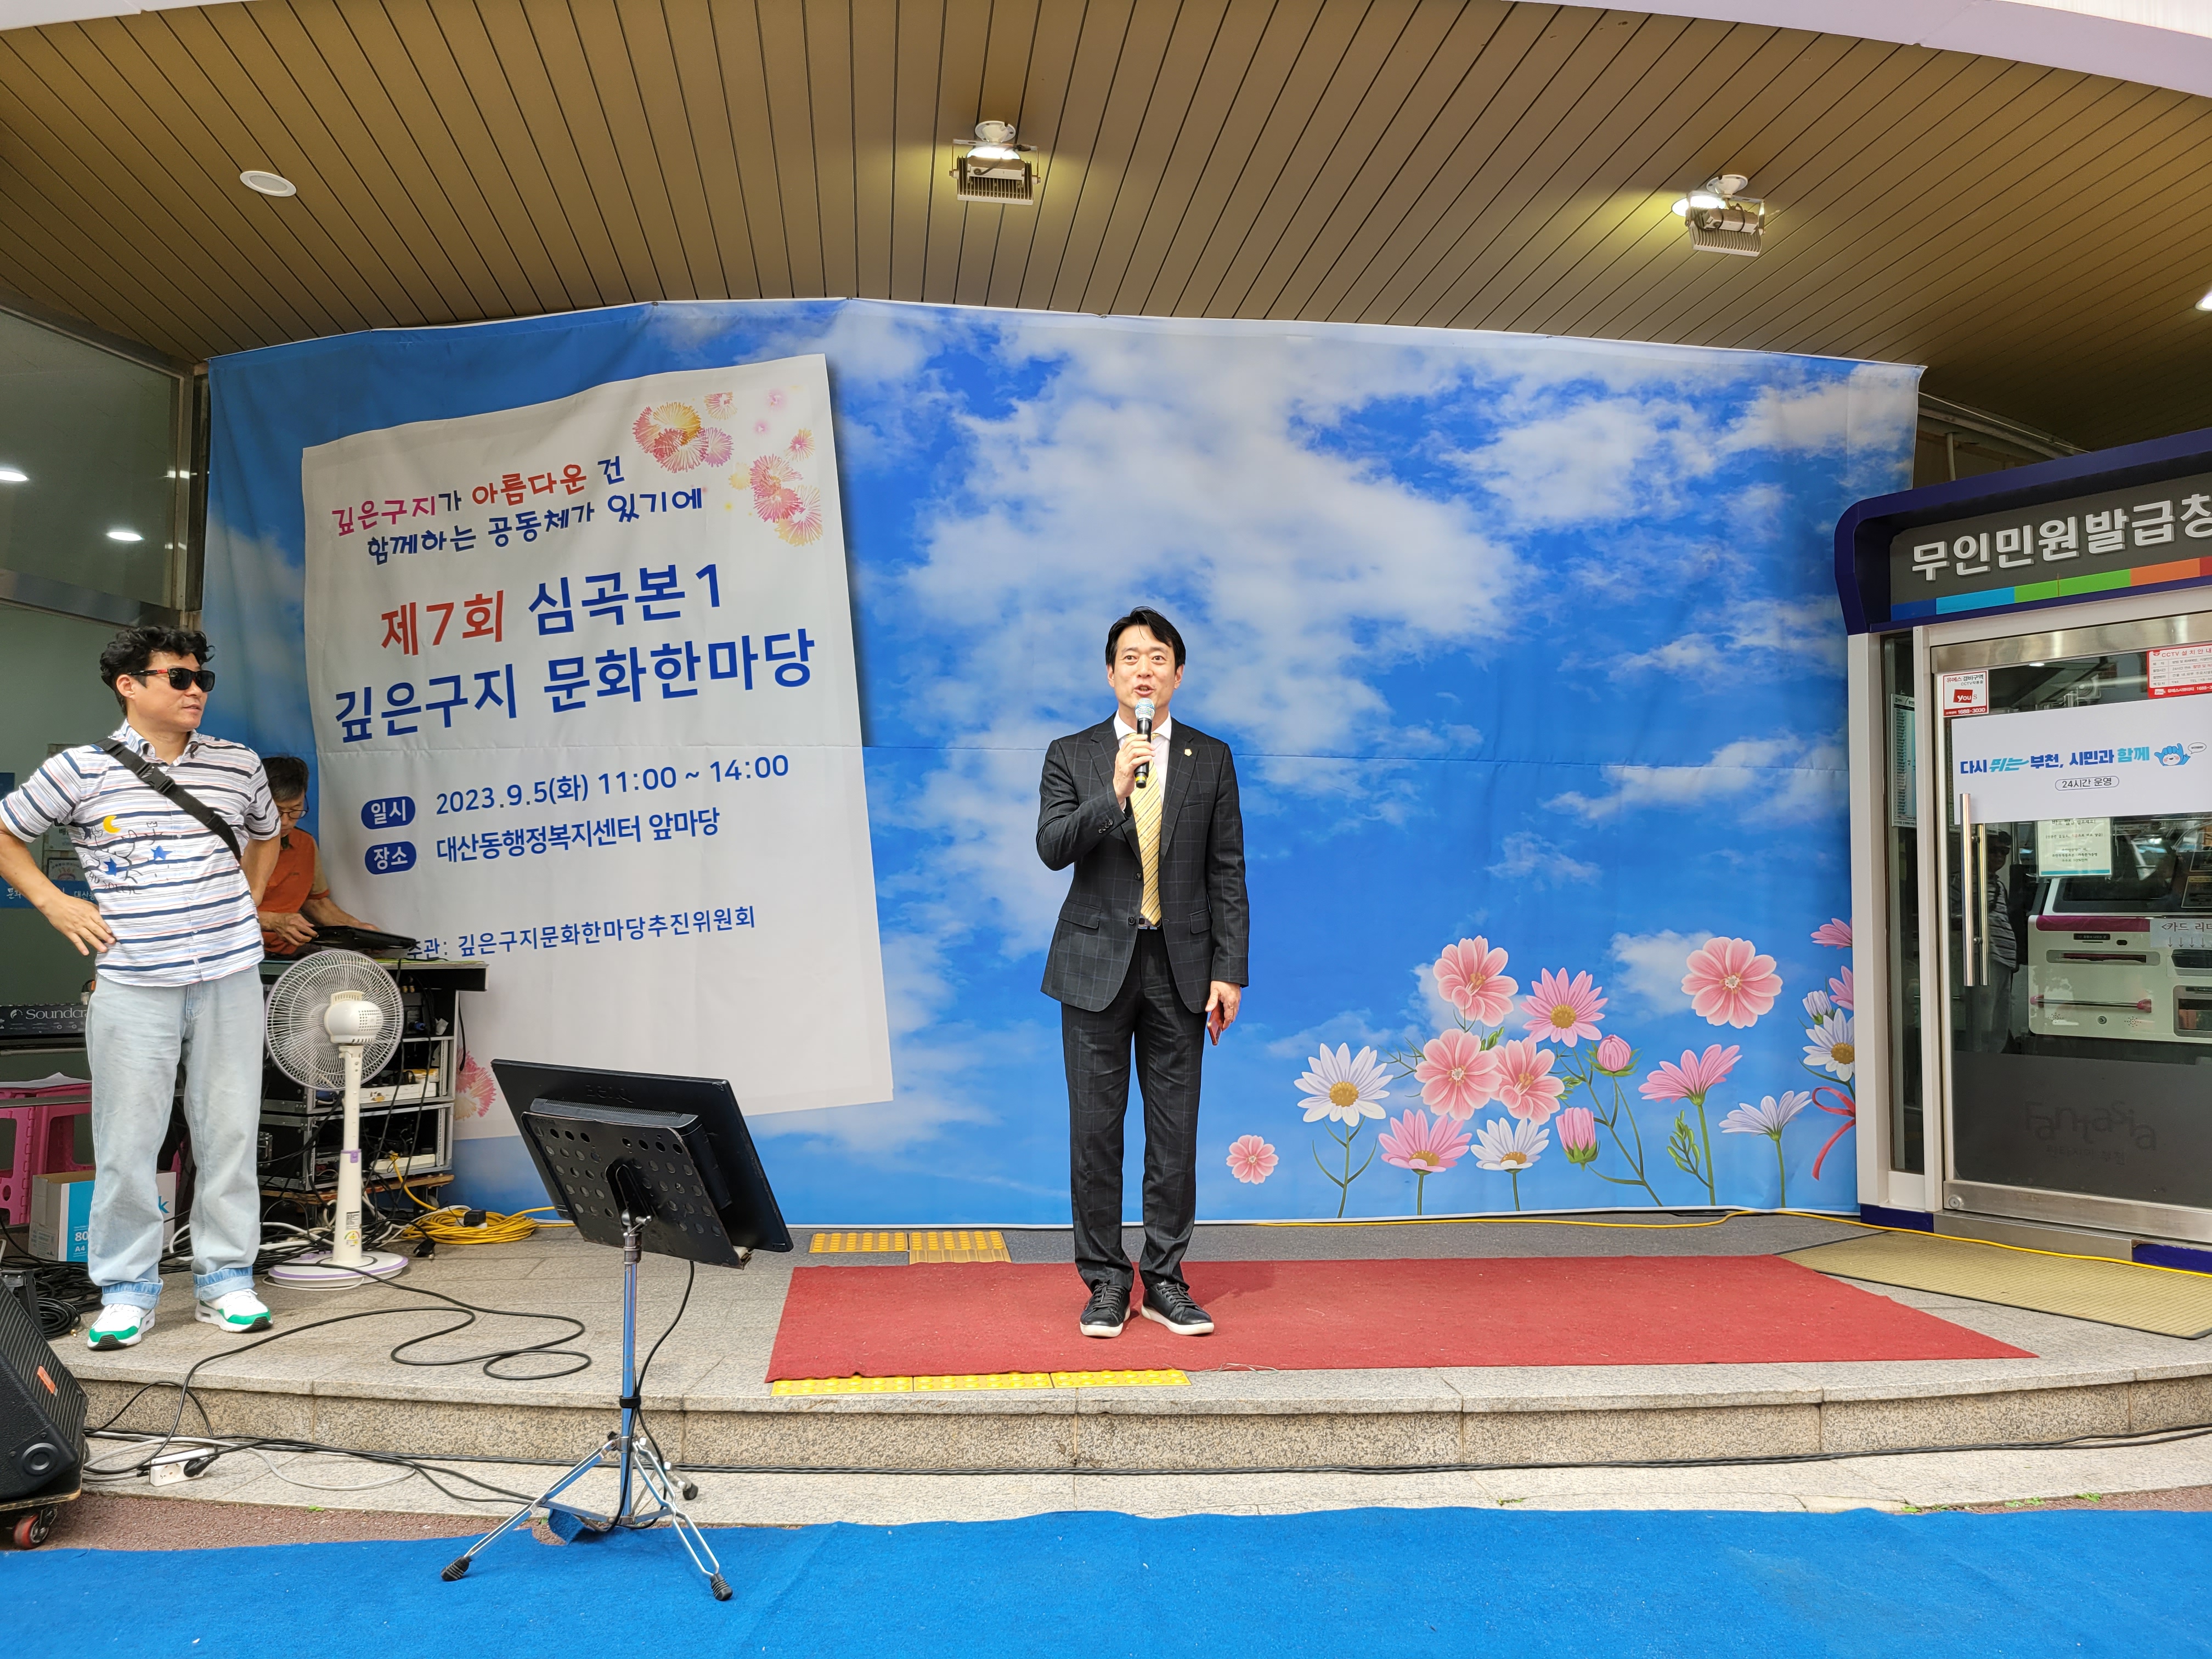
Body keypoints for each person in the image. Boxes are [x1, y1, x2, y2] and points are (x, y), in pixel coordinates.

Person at [0, 626, 281, 1348]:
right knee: (128, 1140)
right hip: (132, 980)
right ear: (129, 685)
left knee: (230, 1131)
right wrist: (55, 902)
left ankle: (227, 1280)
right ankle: (126, 1289)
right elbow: (5, 833)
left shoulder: (238, 764)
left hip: (229, 973)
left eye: (202, 680)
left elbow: (266, 833)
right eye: (178, 678)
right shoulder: (80, 769)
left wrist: (249, 901)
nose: (195, 691)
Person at [1036, 608, 1248, 1339]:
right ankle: (1104, 1280)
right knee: (1095, 1133)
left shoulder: (1210, 757)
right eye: (1130, 658)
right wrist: (1115, 790)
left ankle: (1164, 1280)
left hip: (1181, 966)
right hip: (1094, 966)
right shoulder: (1073, 754)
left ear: (1178, 674)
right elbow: (1053, 847)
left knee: (1173, 1133)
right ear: (1110, 674)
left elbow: (1227, 870)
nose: (1144, 670)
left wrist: (1230, 969)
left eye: (1158, 658)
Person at [256, 755, 380, 955]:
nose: (285, 822)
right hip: (237, 956)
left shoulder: (305, 844)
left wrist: (358, 928)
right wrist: (273, 921)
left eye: (295, 810)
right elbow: (214, 910)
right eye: (277, 812)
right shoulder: (230, 845)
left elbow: (315, 902)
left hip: (290, 954)